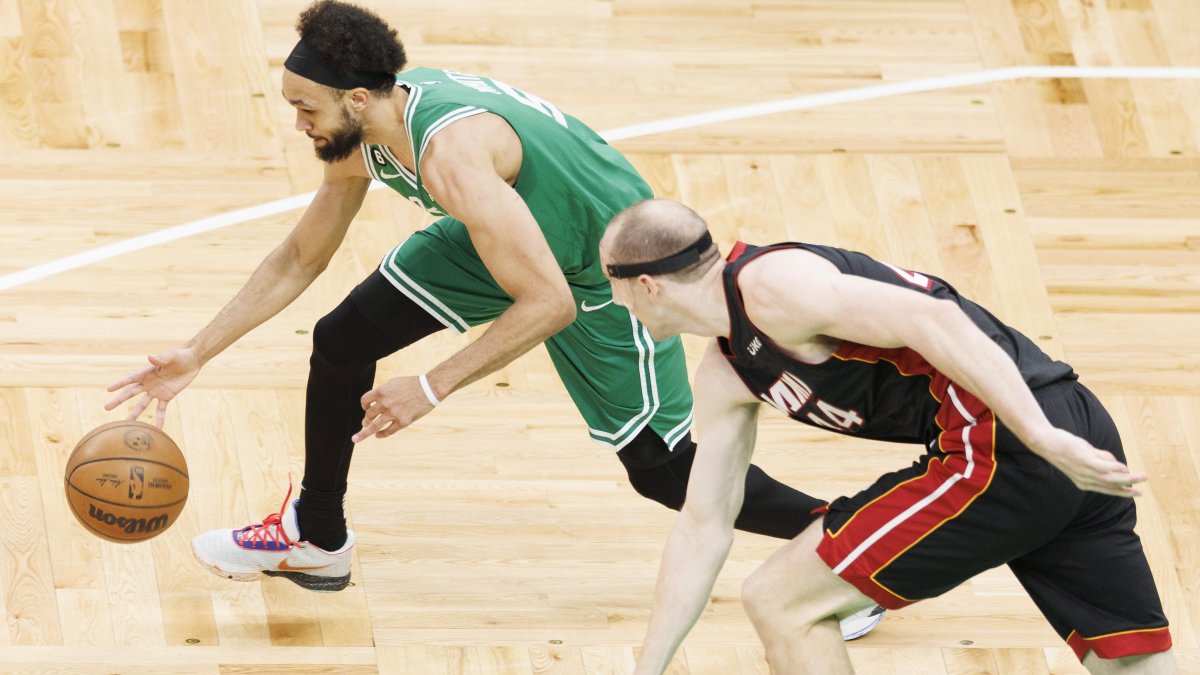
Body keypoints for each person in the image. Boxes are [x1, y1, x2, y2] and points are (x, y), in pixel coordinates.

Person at [100, 0, 887, 638]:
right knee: (342, 341)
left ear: (358, 99)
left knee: (661, 468)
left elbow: (548, 300)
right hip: (506, 229)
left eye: (305, 108)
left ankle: (846, 551)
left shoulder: (449, 154)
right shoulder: (364, 127)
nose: (298, 121)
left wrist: (433, 387)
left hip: (606, 265)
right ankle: (318, 533)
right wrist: (197, 351)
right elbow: (299, 257)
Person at [598, 199, 1176, 674]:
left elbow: (936, 317)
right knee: (1129, 660)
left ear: (646, 285)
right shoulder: (728, 371)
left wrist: (1040, 436)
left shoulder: (774, 286)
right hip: (1064, 429)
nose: (613, 303)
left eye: (611, 286)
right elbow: (703, 526)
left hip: (1005, 441)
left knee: (781, 600)